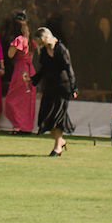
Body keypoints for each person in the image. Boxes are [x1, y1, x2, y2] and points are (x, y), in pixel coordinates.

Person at [33, 26, 76, 156]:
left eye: (40, 42)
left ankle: (57, 147)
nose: (40, 45)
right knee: (46, 118)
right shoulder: (44, 52)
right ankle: (61, 141)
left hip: (63, 87)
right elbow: (43, 70)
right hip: (49, 87)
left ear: (46, 37)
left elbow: (69, 69)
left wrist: (74, 88)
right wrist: (32, 80)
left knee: (57, 118)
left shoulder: (61, 49)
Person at [1, 16, 37, 134]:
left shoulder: (20, 40)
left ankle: (18, 126)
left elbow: (10, 54)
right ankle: (26, 127)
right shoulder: (31, 41)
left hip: (21, 71)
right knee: (27, 101)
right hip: (30, 70)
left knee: (13, 100)